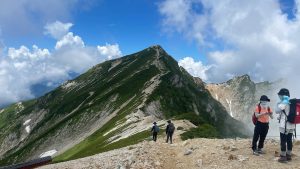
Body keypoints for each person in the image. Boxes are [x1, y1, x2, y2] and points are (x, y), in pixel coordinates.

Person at [276, 88, 295, 163]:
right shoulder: (292, 102)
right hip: (292, 125)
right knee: (289, 140)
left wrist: (279, 103)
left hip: (284, 125)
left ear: (283, 95)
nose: (279, 96)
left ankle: (283, 157)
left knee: (283, 140)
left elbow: (277, 111)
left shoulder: (284, 102)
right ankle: (289, 155)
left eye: (280, 95)